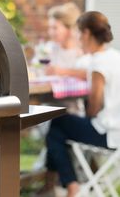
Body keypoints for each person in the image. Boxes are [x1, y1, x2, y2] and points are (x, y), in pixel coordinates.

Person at [37, 11, 120, 197]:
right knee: (62, 127)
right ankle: (66, 185)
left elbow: (95, 105)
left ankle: (71, 186)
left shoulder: (98, 63)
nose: (78, 39)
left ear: (87, 34)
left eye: (79, 33)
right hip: (116, 131)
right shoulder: (116, 56)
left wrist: (86, 117)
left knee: (56, 123)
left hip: (107, 133)